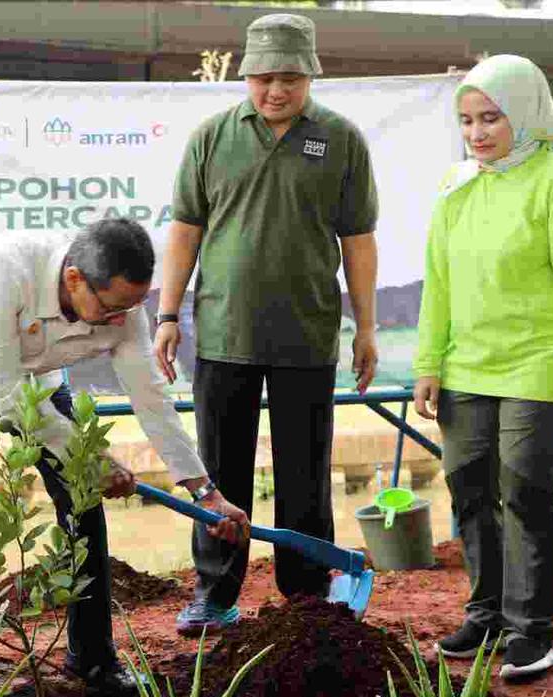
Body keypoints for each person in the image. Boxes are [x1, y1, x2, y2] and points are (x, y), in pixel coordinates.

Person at [0, 218, 248, 697]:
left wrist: (205, 492)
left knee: (82, 500)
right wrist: (91, 456)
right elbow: (1, 392)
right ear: (73, 280)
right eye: (111, 309)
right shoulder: (3, 270)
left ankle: (92, 657)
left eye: (131, 308)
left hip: (37, 383)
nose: (119, 320)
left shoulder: (123, 308)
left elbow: (150, 397)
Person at [152, 13, 380, 635]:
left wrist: (366, 326)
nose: (275, 91)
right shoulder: (211, 137)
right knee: (220, 474)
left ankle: (305, 597)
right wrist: (168, 314)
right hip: (224, 333)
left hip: (307, 336)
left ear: (309, 75)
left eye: (289, 78)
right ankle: (215, 592)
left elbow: (358, 240)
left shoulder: (340, 139)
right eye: (263, 78)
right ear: (246, 75)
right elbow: (185, 231)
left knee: (305, 474)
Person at [412, 55, 553, 680]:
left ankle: (533, 631)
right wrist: (428, 362)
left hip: (538, 365)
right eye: (467, 120)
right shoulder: (455, 185)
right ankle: (488, 615)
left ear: (523, 113)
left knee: (525, 491)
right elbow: (438, 284)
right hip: (466, 369)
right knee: (470, 490)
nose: (477, 133)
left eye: (491, 118)